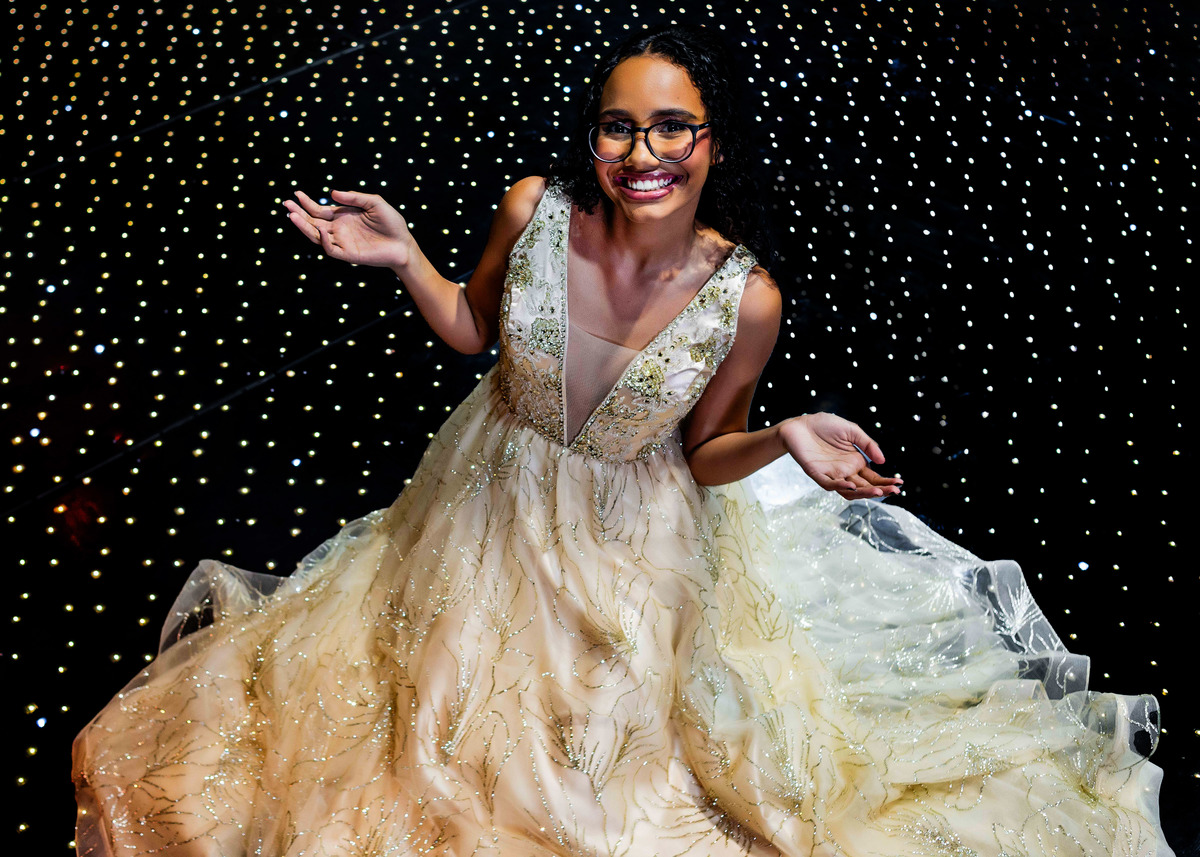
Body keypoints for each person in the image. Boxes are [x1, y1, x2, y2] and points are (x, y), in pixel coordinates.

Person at [73, 25, 1172, 857]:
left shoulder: (744, 299)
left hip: (630, 536)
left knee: (605, 770)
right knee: (428, 725)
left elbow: (703, 454)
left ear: (712, 142)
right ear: (592, 135)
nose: (643, 152)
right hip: (487, 494)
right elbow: (474, 329)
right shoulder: (533, 210)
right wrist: (407, 260)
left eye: (671, 127)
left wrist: (783, 436)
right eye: (618, 126)